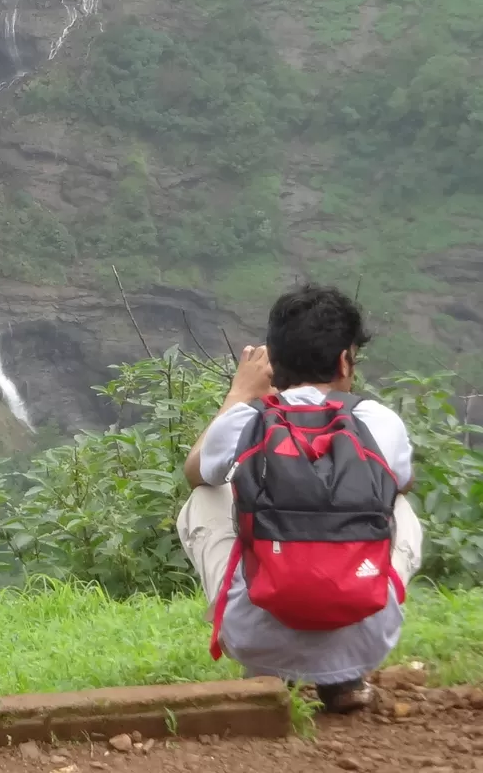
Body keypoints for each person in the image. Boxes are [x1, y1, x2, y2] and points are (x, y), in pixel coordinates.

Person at [176, 285, 423, 712]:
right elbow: (405, 482)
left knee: (203, 497)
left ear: (273, 360)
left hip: (255, 640)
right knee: (399, 504)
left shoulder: (247, 422)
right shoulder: (378, 420)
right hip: (366, 639)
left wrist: (239, 395)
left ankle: (269, 673)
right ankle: (344, 678)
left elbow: (195, 470)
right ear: (345, 360)